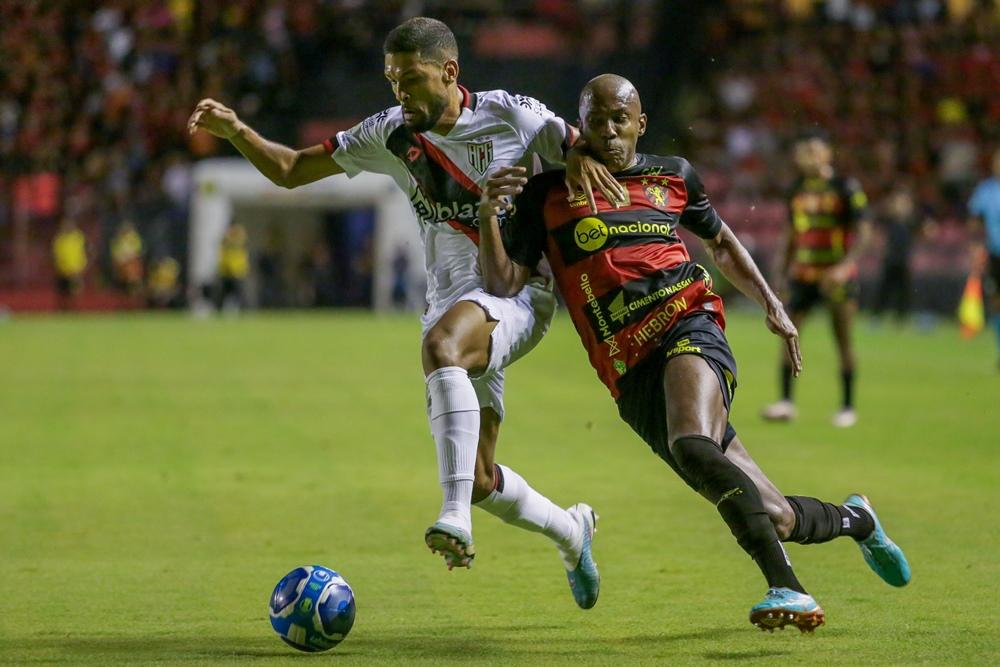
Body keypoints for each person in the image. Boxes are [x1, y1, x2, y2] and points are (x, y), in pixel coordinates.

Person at [188, 17, 624, 608]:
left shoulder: (512, 116)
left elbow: (588, 151)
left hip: (518, 292)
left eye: (412, 79)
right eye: (393, 80)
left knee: (441, 351)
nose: (401, 93)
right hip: (452, 305)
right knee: (482, 479)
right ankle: (573, 533)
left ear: (449, 72)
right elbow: (291, 170)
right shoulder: (388, 133)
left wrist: (576, 164)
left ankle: (451, 520)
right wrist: (238, 130)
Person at [477, 74, 910, 631]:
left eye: (620, 119)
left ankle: (789, 588)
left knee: (691, 439)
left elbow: (722, 242)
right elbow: (504, 282)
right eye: (597, 121)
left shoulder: (672, 176)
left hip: (689, 324)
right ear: (578, 126)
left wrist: (773, 304)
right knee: (773, 515)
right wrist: (490, 213)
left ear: (641, 123)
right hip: (627, 372)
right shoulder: (548, 194)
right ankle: (859, 520)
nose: (610, 132)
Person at [761, 135, 873, 428]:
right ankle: (785, 402)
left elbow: (864, 232)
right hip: (803, 274)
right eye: (803, 151)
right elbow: (790, 234)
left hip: (835, 276)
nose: (807, 156)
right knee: (788, 335)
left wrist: (845, 266)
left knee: (843, 339)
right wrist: (779, 274)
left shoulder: (845, 188)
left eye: (814, 150)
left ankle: (848, 406)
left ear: (828, 155)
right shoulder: (795, 190)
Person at [872, 187, 934, 324]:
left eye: (904, 204)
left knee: (903, 289)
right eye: (898, 203)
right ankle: (877, 315)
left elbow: (925, 232)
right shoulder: (889, 220)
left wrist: (929, 230)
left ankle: (901, 317)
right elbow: (878, 234)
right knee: (885, 288)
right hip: (890, 259)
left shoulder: (911, 221)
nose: (901, 207)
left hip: (904, 259)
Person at [967, 148, 1000, 367]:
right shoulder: (986, 190)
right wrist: (976, 246)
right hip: (996, 254)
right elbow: (975, 222)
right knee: (997, 303)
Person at [52, 217, 87, 311]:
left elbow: (85, 252)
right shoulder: (60, 239)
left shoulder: (79, 238)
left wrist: (81, 266)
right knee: (63, 292)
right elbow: (56, 255)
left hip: (76, 270)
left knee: (75, 291)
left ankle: (75, 310)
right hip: (62, 270)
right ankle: (64, 310)